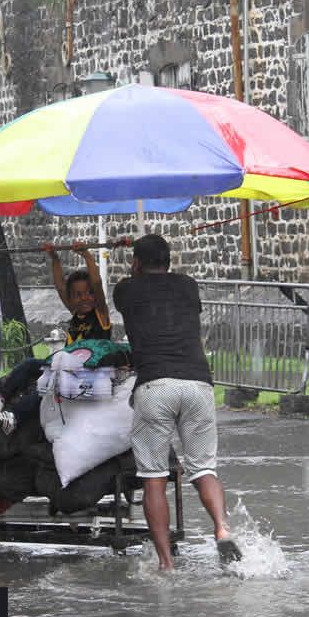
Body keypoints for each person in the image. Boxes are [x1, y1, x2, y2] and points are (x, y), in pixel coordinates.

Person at [113, 234, 239, 570]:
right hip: (197, 384)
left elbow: (114, 294)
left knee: (153, 477)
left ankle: (167, 564)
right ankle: (222, 528)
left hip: (155, 386)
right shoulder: (188, 286)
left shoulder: (126, 289)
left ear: (136, 263)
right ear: (168, 261)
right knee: (204, 468)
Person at [0, 242, 111, 434]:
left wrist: (87, 255)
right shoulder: (75, 313)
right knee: (29, 364)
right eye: (78, 295)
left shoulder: (100, 314)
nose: (84, 298)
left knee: (47, 384)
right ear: (71, 299)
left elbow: (96, 284)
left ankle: (14, 417)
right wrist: (54, 259)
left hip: (88, 373)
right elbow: (61, 287)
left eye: (88, 294)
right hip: (65, 368)